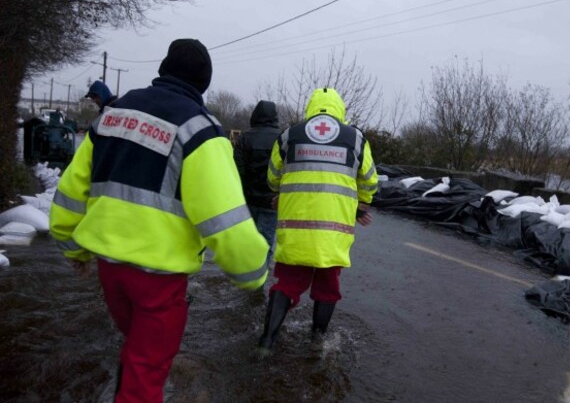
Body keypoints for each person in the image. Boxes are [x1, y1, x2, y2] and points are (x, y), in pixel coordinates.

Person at [49, 38, 269, 402]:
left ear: (163, 70)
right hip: (158, 281)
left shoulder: (113, 115)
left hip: (110, 269)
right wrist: (253, 271)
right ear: (203, 84)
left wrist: (72, 247)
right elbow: (225, 220)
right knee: (145, 376)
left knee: (134, 351)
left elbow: (72, 190)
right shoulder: (201, 131)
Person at [258, 87, 378, 352]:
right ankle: (317, 343)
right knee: (327, 286)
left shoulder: (289, 135)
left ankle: (266, 343)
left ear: (310, 107)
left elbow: (272, 177)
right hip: (333, 233)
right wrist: (360, 204)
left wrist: (284, 192)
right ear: (340, 109)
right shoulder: (356, 139)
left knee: (287, 283)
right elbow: (370, 180)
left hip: (295, 228)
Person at [233, 100, 281, 266]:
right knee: (266, 241)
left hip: (248, 199)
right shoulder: (282, 138)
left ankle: (245, 271)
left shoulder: (245, 138)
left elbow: (237, 170)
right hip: (272, 201)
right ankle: (259, 278)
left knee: (248, 238)